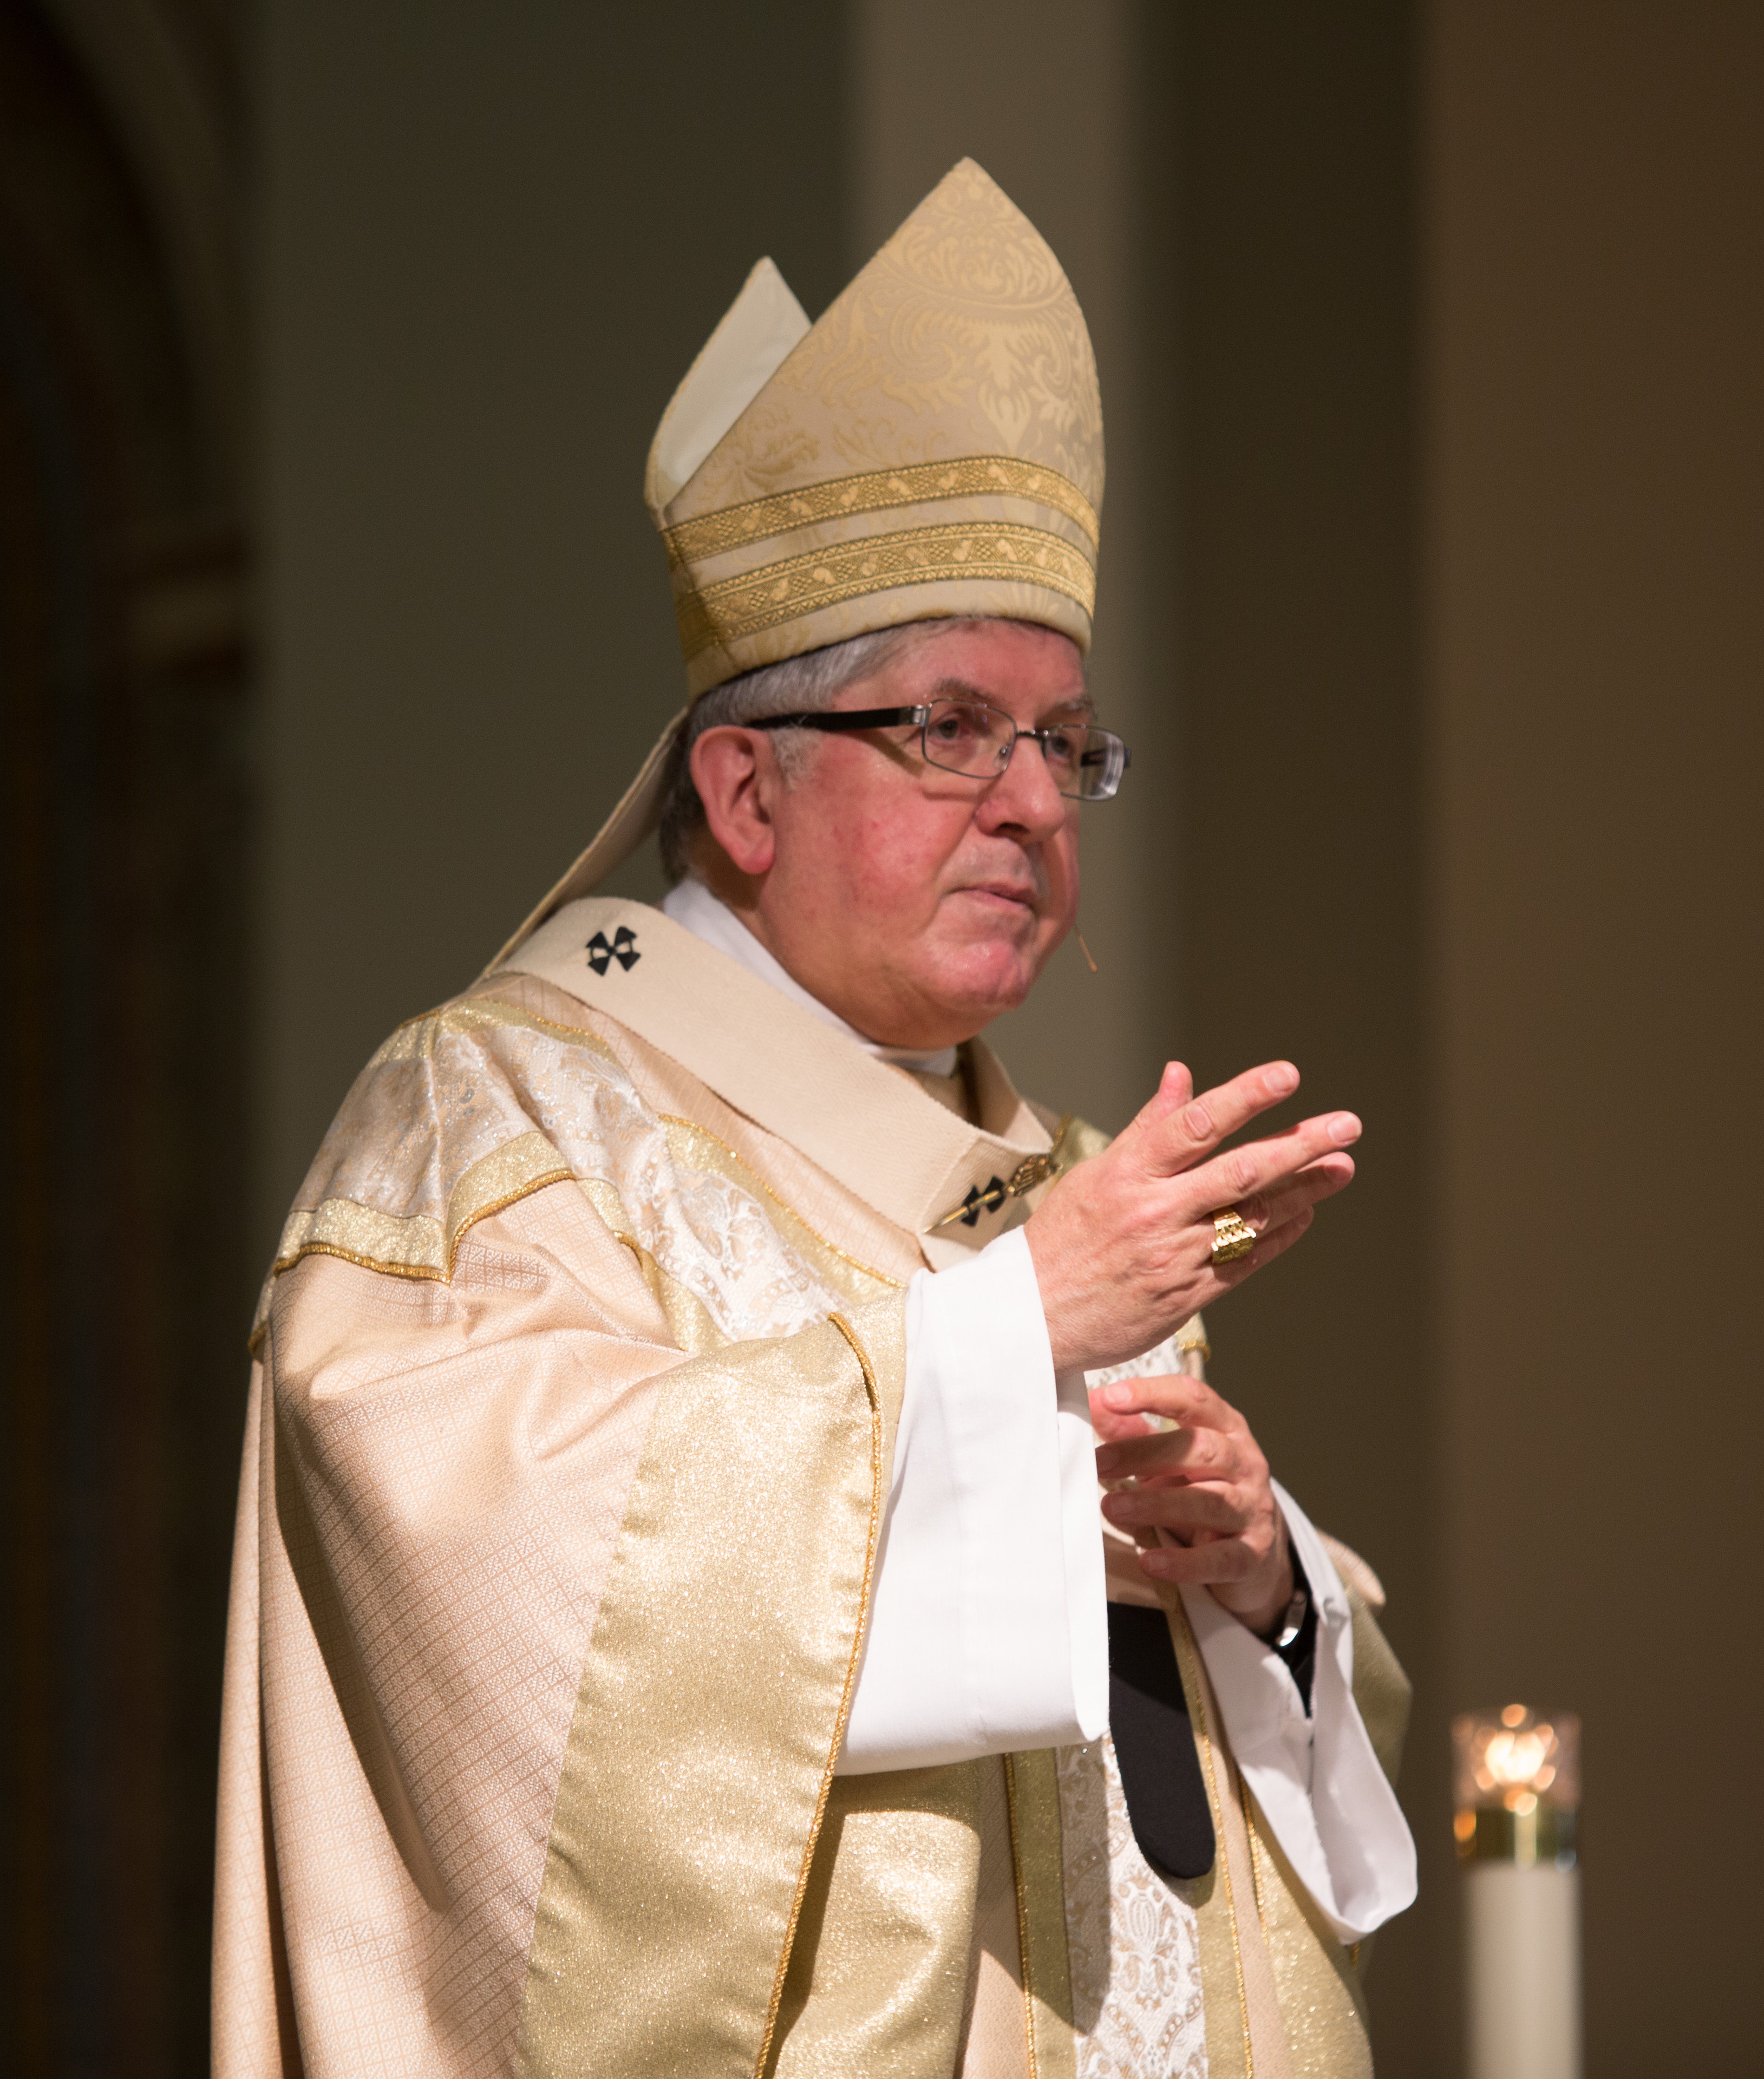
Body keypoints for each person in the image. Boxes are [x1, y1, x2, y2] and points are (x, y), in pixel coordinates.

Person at [213, 159, 1416, 2079]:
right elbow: (489, 1603)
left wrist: (1257, 1580)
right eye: (951, 728)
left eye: (1065, 743)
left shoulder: (1048, 1168)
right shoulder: (496, 1114)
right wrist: (1007, 1332)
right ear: (745, 794)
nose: (1030, 801)